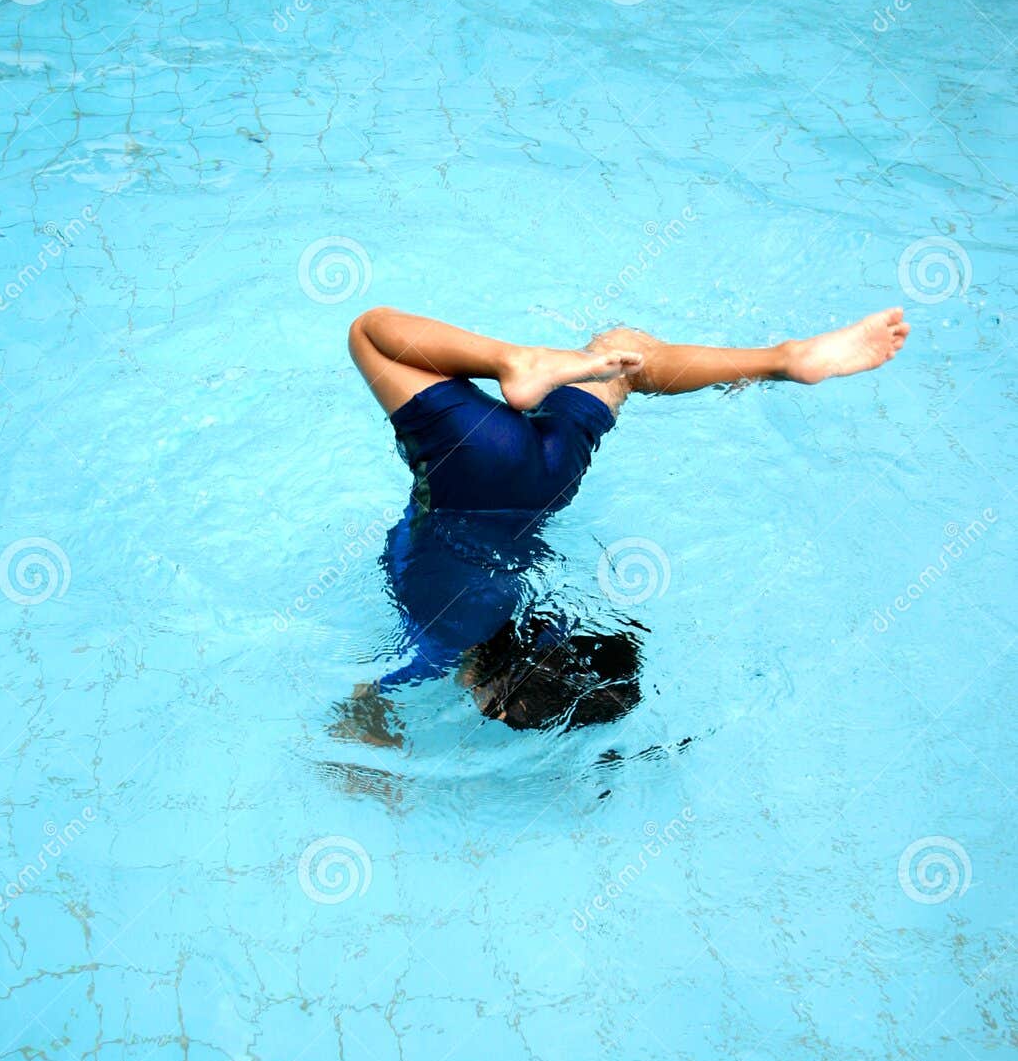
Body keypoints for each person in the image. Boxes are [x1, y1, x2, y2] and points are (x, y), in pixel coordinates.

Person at [337, 304, 910, 743]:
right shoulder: (435, 649)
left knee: (624, 354)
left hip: (549, 482)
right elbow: (367, 699)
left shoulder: (545, 625)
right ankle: (514, 361)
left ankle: (779, 361)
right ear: (496, 701)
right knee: (370, 331)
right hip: (473, 466)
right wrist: (372, 732)